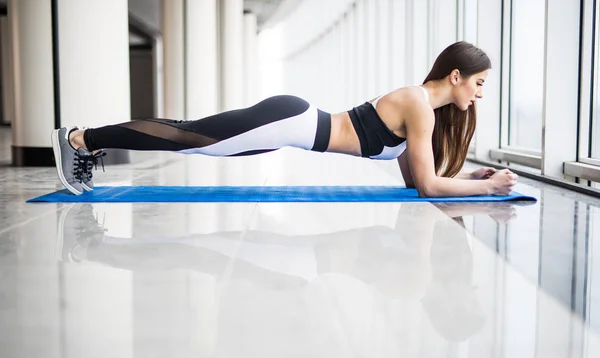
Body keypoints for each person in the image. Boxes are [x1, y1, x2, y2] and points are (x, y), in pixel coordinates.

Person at [51, 41, 518, 196]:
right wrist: (488, 187)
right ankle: (78, 138)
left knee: (188, 133)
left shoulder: (423, 110)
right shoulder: (419, 106)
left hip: (292, 129)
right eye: (479, 83)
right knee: (185, 136)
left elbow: (421, 182)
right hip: (292, 121)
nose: (479, 94)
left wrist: (470, 177)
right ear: (456, 75)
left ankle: (84, 139)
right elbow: (431, 187)